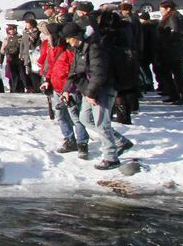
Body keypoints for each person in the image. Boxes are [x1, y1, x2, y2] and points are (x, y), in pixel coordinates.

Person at [65, 21, 132, 169]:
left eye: (68, 38)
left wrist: (91, 93)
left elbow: (99, 73)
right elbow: (74, 70)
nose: (67, 42)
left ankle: (111, 158)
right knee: (84, 118)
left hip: (103, 89)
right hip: (90, 90)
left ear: (76, 36)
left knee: (102, 123)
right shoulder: (80, 48)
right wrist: (67, 89)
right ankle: (120, 141)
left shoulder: (95, 47)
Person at [40, 25, 86, 157]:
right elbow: (51, 67)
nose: (45, 38)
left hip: (69, 88)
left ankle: (83, 143)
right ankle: (70, 140)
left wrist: (70, 87)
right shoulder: (51, 49)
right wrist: (47, 80)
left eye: (48, 36)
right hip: (56, 87)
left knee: (75, 117)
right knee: (60, 116)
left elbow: (74, 70)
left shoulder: (69, 51)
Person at [156, 0, 183, 104]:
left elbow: (176, 33)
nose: (160, 11)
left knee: (177, 74)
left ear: (168, 9)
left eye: (161, 9)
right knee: (168, 73)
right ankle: (174, 94)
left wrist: (166, 39)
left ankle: (180, 96)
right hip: (172, 50)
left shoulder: (173, 17)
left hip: (173, 51)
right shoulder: (173, 16)